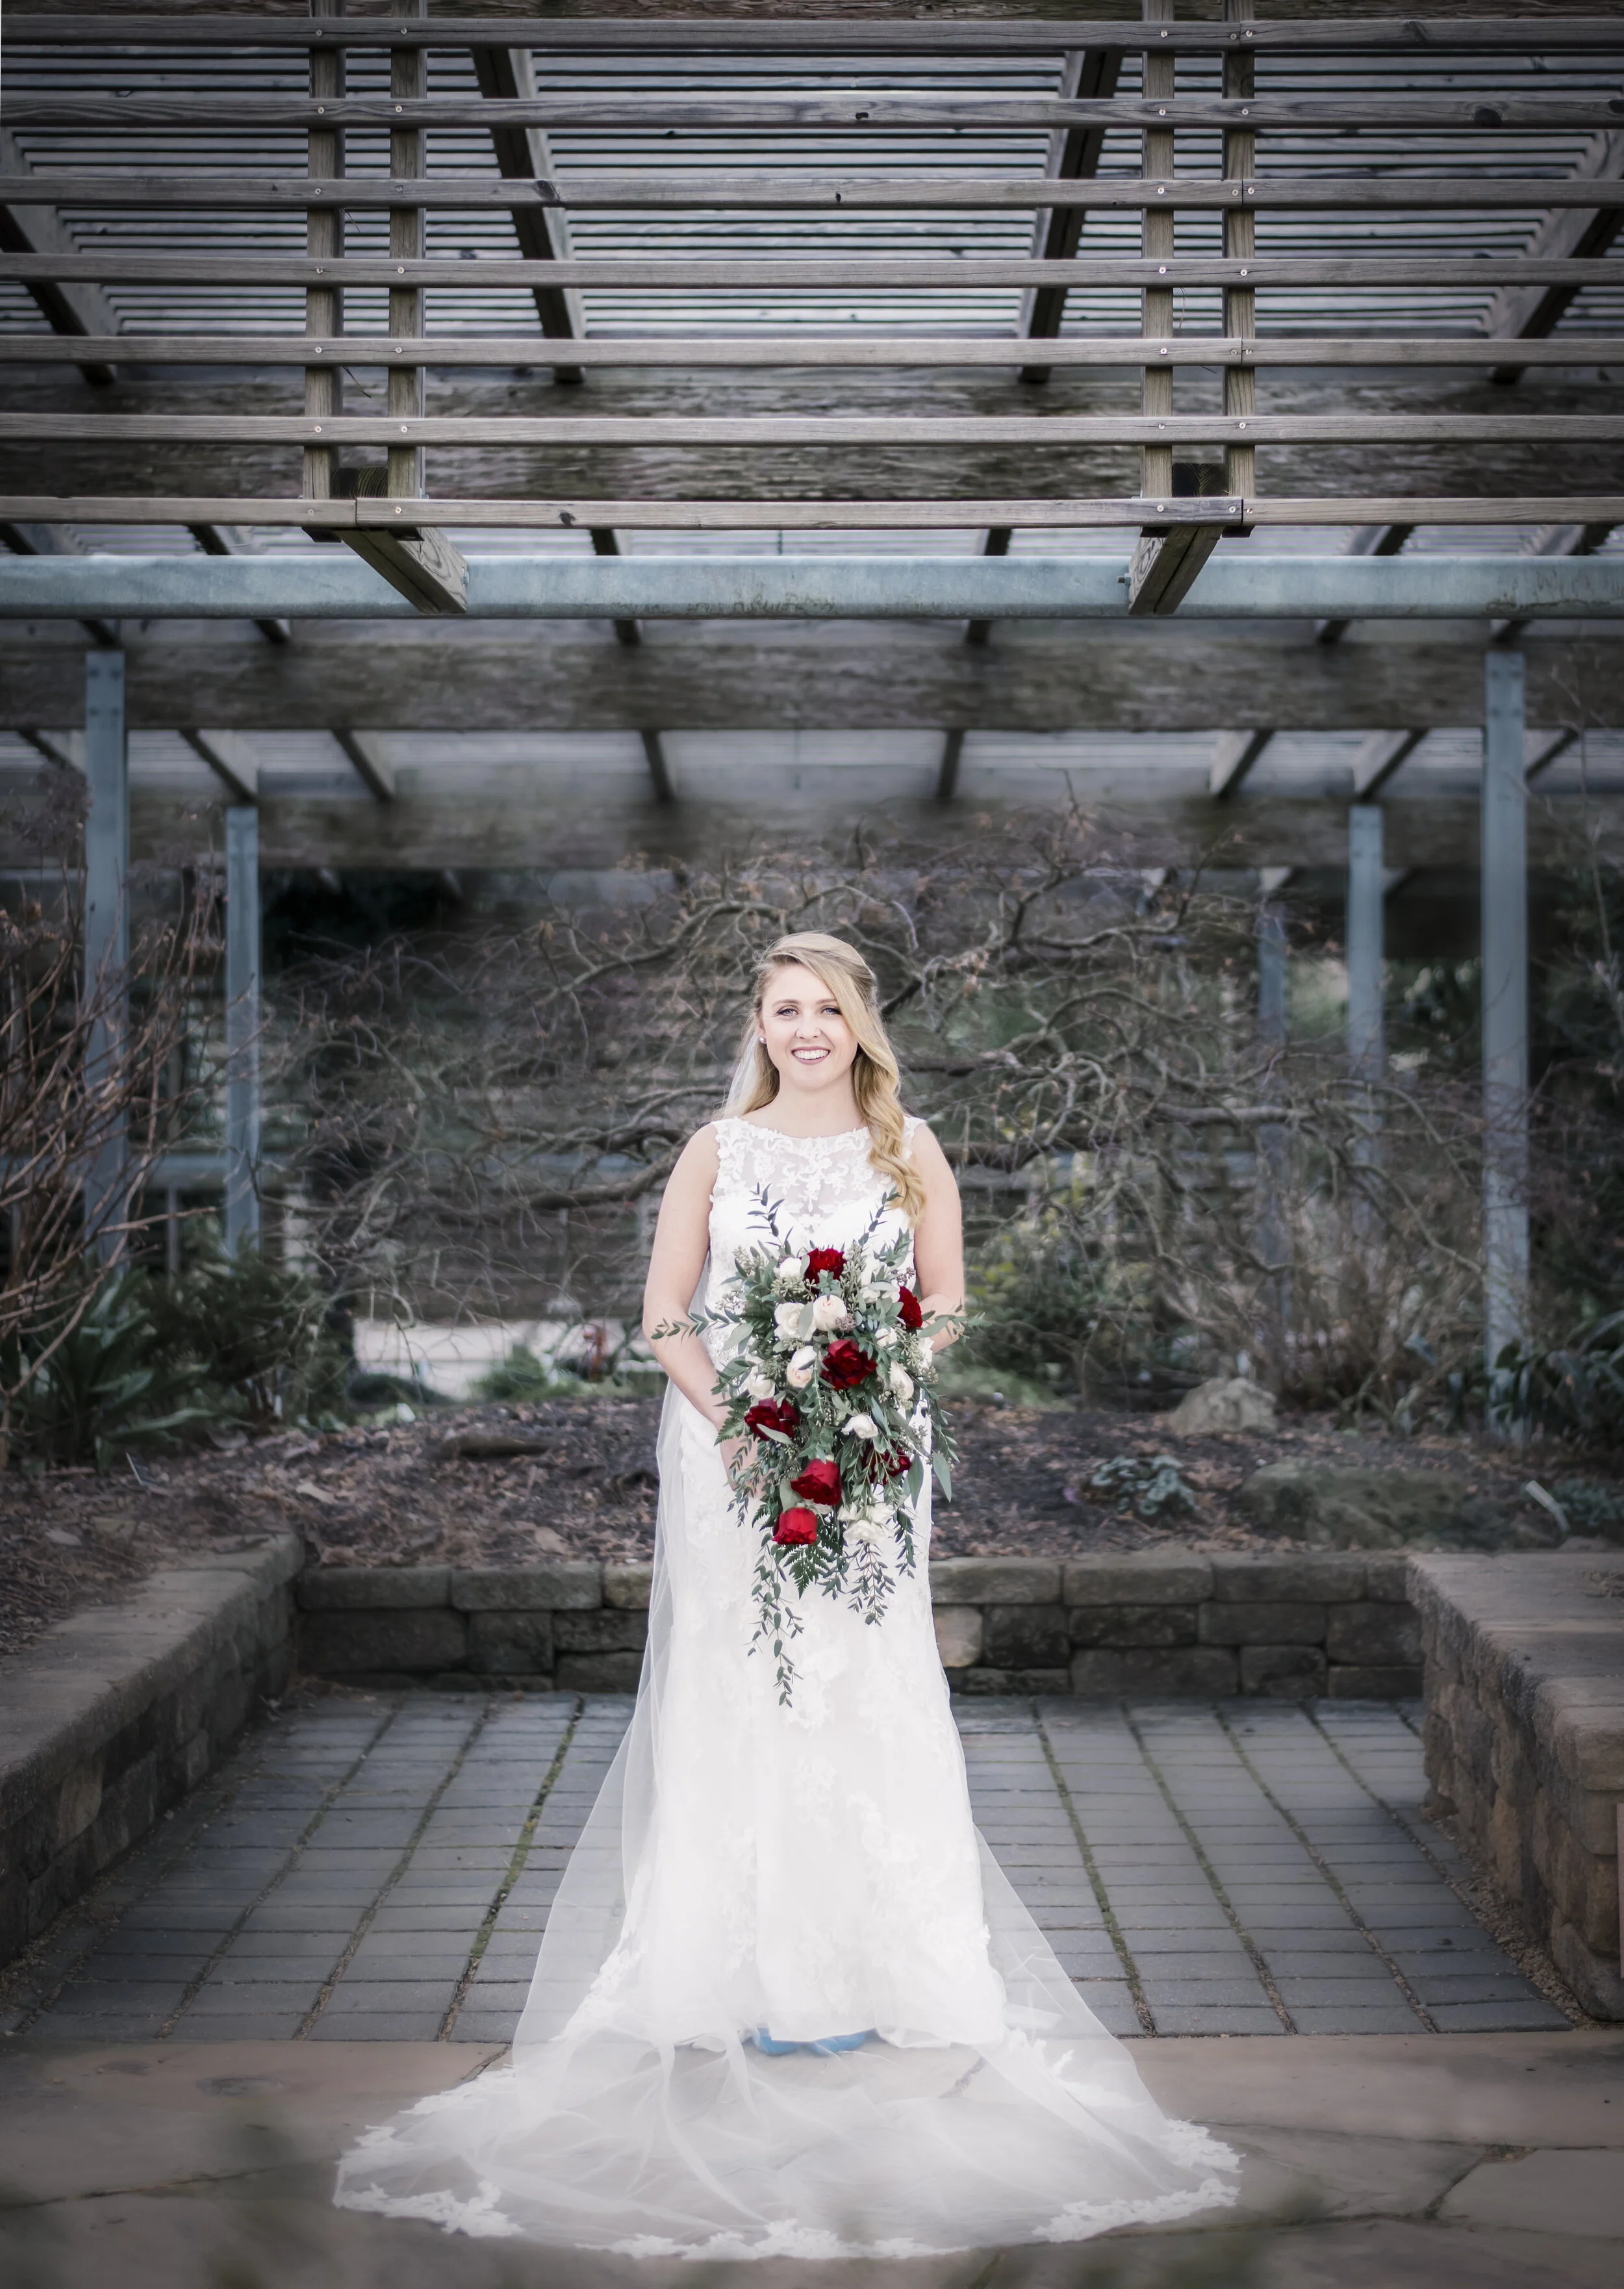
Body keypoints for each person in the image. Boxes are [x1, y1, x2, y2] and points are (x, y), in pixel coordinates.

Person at [335, 930, 1239, 2259]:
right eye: (782, 1010)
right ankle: (738, 1969)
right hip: (737, 1467)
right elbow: (661, 1317)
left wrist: (877, 1381)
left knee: (864, 1694)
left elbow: (944, 1302)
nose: (804, 1029)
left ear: (861, 1024)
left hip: (868, 1457)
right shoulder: (718, 1150)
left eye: (826, 1009)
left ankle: (873, 1968)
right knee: (742, 1695)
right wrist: (748, 1424)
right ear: (755, 1027)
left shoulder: (906, 1147)